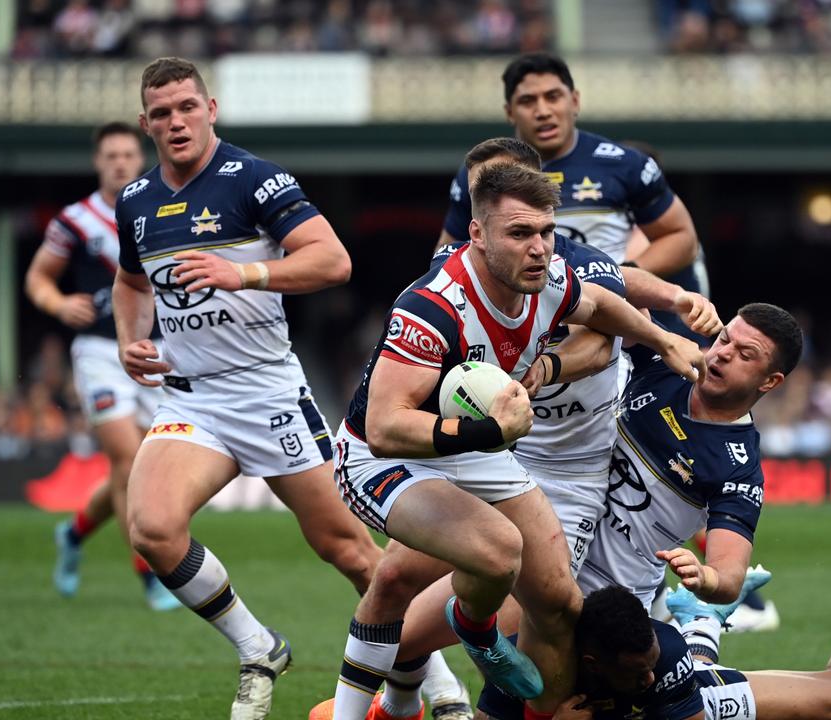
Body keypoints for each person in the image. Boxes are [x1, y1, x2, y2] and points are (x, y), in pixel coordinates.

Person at [338, 137, 721, 720]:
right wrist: (487, 432)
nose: (539, 248)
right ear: (476, 232)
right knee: (486, 557)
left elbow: (601, 303)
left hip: (494, 446)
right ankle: (437, 663)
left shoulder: (545, 277)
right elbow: (386, 427)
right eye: (520, 233)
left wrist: (664, 337)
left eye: (545, 231)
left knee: (558, 599)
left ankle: (468, 654)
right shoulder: (434, 306)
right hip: (378, 459)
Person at [112, 57, 383, 720]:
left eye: (186, 107)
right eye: (161, 113)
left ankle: (437, 685)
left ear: (211, 109)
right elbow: (130, 281)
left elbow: (333, 260)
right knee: (151, 526)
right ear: (148, 123)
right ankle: (259, 647)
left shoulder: (253, 180)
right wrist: (128, 339)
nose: (175, 122)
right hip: (192, 399)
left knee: (346, 549)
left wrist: (246, 275)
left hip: (265, 390)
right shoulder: (137, 200)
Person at [467, 558, 831, 720]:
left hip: (691, 699)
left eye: (650, 664)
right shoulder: (530, 666)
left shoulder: (666, 664)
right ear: (589, 662)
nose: (648, 675)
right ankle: (703, 613)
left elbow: (661, 680)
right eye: (637, 672)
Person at [24, 121, 179, 611]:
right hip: (98, 350)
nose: (119, 163)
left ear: (141, 159)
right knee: (127, 460)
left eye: (127, 155)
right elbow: (38, 278)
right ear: (98, 162)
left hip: (158, 350)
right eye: (110, 156)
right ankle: (151, 574)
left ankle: (72, 534)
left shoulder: (165, 210)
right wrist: (57, 303)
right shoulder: (74, 220)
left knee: (141, 469)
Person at [577, 303, 802, 613]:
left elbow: (729, 575)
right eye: (724, 339)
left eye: (745, 355)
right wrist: (674, 297)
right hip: (559, 539)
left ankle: (700, 624)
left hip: (615, 595)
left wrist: (705, 577)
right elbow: (613, 288)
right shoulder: (668, 361)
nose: (723, 353)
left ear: (770, 381)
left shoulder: (739, 469)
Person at [437, 54, 704, 302]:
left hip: (603, 314)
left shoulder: (625, 164)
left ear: (574, 101)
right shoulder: (481, 173)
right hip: (515, 316)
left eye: (553, 96)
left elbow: (681, 237)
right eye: (528, 101)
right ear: (509, 112)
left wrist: (619, 277)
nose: (543, 111)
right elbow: (448, 254)